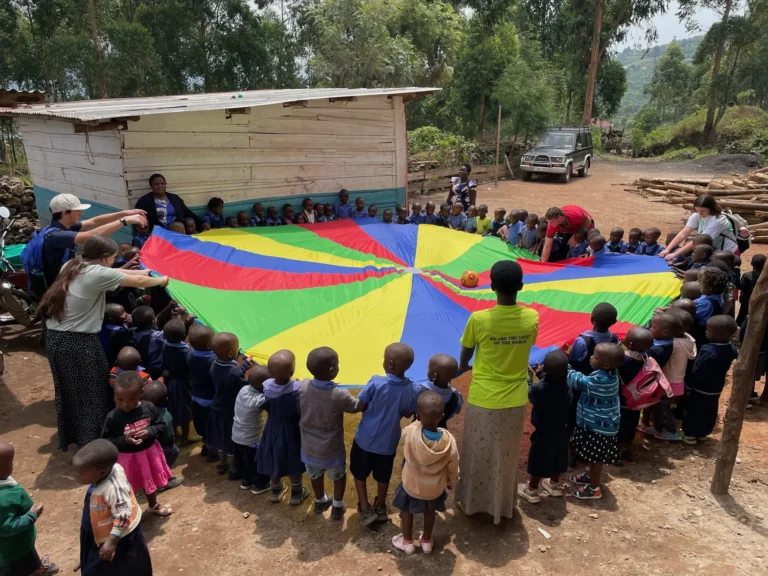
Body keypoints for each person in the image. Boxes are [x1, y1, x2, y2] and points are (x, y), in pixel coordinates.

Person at [38, 236, 168, 452]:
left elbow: (127, 275)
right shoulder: (96, 273)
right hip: (77, 342)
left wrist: (146, 272)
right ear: (106, 258)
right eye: (113, 257)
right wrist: (161, 280)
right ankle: (96, 444)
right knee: (92, 392)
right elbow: (136, 282)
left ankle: (82, 436)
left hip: (58, 339)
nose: (114, 260)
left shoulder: (73, 264)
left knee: (73, 391)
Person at [456, 261, 538, 523]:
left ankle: (471, 505)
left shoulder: (479, 319)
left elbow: (466, 351)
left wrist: (462, 366)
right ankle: (503, 506)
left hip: (484, 397)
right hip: (515, 399)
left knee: (477, 454)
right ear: (521, 287)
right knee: (506, 455)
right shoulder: (531, 317)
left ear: (491, 286)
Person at [351, 343, 417, 526]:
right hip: (387, 444)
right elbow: (408, 413)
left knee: (359, 472)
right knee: (383, 475)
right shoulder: (412, 389)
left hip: (364, 439)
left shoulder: (375, 382)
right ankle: (380, 506)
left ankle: (364, 506)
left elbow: (361, 404)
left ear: (389, 364)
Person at [299, 347, 363, 519]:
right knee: (338, 476)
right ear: (332, 371)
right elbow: (356, 406)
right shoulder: (338, 394)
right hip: (332, 450)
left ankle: (320, 501)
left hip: (309, 448)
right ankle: (337, 505)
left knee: (314, 475)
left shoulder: (303, 386)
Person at [391, 392, 459, 555]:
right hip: (434, 489)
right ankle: (427, 541)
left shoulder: (410, 431)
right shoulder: (449, 441)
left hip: (411, 485)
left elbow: (404, 436)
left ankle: (407, 542)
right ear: (442, 415)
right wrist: (452, 481)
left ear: (418, 415)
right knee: (430, 512)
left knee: (406, 511)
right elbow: (453, 465)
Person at [38, 194, 148, 293]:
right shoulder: (56, 235)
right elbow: (92, 235)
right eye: (77, 211)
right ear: (65, 213)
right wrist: (124, 221)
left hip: (67, 275)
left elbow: (94, 221)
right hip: (59, 285)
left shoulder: (65, 226)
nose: (81, 213)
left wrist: (124, 213)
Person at [73, 439, 152, 576]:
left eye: (81, 474)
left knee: (121, 568)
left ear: (102, 472)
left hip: (119, 537)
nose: (76, 477)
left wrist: (111, 542)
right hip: (101, 531)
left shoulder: (114, 489)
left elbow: (123, 515)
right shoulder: (103, 475)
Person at [102, 372, 174, 516]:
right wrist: (123, 440)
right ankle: (129, 513)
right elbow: (106, 441)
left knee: (150, 482)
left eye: (131, 399)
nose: (125, 404)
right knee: (127, 487)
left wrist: (149, 432)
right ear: (114, 396)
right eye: (120, 399)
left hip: (148, 455)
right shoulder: (113, 417)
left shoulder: (149, 408)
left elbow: (160, 425)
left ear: (141, 394)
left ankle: (153, 505)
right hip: (126, 460)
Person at [568, 343, 625, 500]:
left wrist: (565, 366)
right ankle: (590, 476)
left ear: (606, 364)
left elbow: (578, 381)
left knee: (596, 458)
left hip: (598, 428)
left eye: (595, 356)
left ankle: (594, 489)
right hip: (598, 424)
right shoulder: (610, 374)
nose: (591, 358)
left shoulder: (600, 380)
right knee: (592, 455)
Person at [518, 350, 572, 504]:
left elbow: (530, 392)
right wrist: (541, 374)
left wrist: (529, 376)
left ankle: (532, 490)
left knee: (539, 459)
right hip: (562, 429)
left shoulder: (540, 389)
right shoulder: (566, 386)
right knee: (559, 457)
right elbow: (552, 380)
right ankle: (554, 485)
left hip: (544, 432)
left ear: (546, 369)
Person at [256, 350, 309, 506]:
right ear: (292, 371)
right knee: (294, 462)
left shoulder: (265, 386)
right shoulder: (298, 388)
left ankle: (275, 490)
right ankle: (297, 494)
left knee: (274, 458)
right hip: (292, 431)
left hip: (272, 429)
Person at [0, 441, 59, 576]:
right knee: (18, 565)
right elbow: (6, 527)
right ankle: (35, 570)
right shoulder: (2, 499)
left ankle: (36, 566)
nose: (13, 466)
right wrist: (31, 515)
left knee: (29, 556)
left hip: (15, 543)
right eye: (10, 463)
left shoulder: (3, 481)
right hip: (12, 547)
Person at [682, 316, 739, 444]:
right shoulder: (731, 348)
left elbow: (698, 371)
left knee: (695, 410)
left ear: (719, 334)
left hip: (701, 387)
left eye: (708, 330)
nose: (705, 332)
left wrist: (689, 386)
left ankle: (690, 434)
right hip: (716, 387)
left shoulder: (708, 351)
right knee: (710, 410)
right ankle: (703, 433)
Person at [208, 333, 252, 478]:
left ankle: (222, 464)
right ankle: (234, 470)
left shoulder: (214, 363)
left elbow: (234, 373)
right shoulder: (233, 373)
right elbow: (243, 383)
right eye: (237, 350)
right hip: (228, 412)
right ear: (230, 354)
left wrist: (244, 364)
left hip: (215, 409)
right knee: (230, 441)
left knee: (221, 440)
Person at [661, 195, 739, 261]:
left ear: (711, 208)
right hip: (712, 249)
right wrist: (667, 249)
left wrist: (675, 254)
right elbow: (683, 233)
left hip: (727, 252)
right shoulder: (697, 215)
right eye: (697, 210)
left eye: (703, 211)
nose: (699, 213)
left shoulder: (718, 220)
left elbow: (700, 240)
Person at [616, 327, 654, 462]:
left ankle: (617, 452)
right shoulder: (646, 359)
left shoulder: (624, 360)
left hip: (622, 399)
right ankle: (627, 447)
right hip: (636, 400)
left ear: (630, 344)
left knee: (620, 424)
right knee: (631, 423)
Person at [232, 366, 271, 495]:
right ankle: (260, 485)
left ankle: (246, 481)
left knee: (243, 462)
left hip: (237, 435)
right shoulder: (258, 400)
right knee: (257, 463)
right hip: (251, 440)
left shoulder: (243, 390)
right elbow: (272, 397)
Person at [187, 324, 218, 463]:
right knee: (213, 427)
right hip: (210, 399)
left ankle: (205, 445)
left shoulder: (190, 355)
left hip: (195, 396)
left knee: (202, 424)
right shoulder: (213, 361)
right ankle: (212, 452)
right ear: (210, 344)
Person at [134, 174, 205, 232]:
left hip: (177, 228)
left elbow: (187, 212)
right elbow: (138, 216)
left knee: (177, 226)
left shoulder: (175, 198)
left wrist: (202, 222)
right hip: (157, 230)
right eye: (156, 184)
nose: (160, 186)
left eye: (162, 183)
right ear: (151, 186)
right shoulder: (144, 201)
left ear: (165, 184)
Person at [161, 319, 193, 446]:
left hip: (169, 382)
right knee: (185, 410)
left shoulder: (164, 344)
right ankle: (185, 438)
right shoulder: (186, 353)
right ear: (183, 336)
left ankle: (174, 433)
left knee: (172, 408)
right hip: (183, 384)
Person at [141, 381, 181, 472]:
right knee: (174, 450)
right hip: (163, 446)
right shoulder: (166, 416)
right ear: (166, 399)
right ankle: (165, 474)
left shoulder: (142, 414)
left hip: (148, 447)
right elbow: (169, 437)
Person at [416, 354, 463, 429]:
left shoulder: (420, 389)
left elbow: (412, 408)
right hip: (441, 430)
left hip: (417, 430)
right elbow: (456, 411)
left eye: (429, 368)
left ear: (435, 375)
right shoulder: (456, 395)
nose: (427, 369)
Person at [692, 268, 729, 350]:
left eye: (700, 283)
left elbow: (692, 314)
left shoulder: (708, 303)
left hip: (701, 332)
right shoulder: (716, 294)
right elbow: (697, 301)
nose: (698, 284)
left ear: (709, 288)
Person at [130, 306, 164, 380]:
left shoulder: (131, 333)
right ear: (152, 322)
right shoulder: (156, 336)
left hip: (141, 368)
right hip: (157, 369)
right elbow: (172, 332)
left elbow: (157, 320)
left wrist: (169, 307)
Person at [100, 304, 132, 369]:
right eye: (122, 313)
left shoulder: (102, 328)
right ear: (112, 319)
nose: (126, 314)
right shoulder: (120, 333)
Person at [738, 254, 765, 325]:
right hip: (762, 302)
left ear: (751, 263)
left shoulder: (747, 276)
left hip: (747, 301)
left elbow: (741, 287)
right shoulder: (765, 277)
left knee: (743, 319)